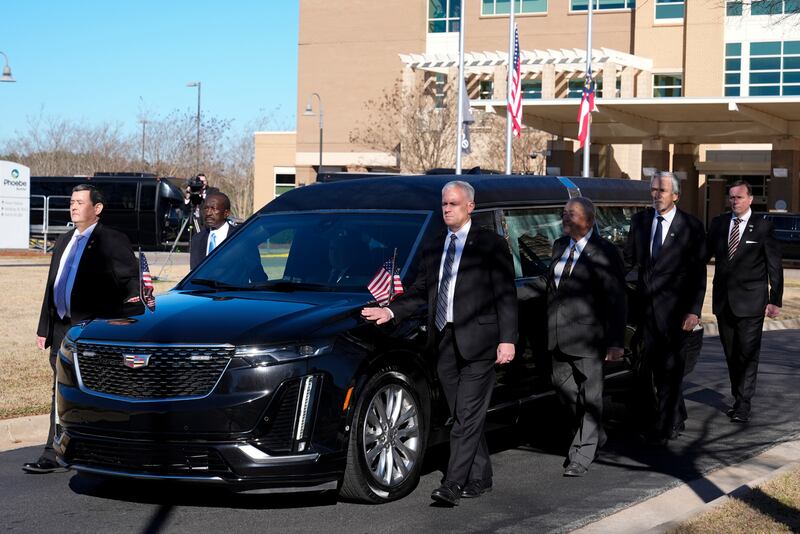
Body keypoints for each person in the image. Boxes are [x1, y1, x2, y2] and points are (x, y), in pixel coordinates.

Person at [361, 180, 517, 506]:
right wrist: (390, 310)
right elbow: (420, 292)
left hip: (480, 343)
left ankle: (453, 484)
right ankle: (481, 475)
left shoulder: (490, 244)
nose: (447, 209)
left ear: (470, 207)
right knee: (464, 413)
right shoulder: (434, 246)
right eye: (444, 204)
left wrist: (507, 340)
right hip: (443, 341)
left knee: (466, 417)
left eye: (453, 204)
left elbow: (506, 295)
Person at [26, 185, 141, 474]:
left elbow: (132, 286)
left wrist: (125, 325)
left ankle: (109, 450)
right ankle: (53, 451)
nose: (73, 207)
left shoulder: (112, 241)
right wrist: (45, 327)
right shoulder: (64, 240)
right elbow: (53, 286)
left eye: (80, 202)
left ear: (97, 208)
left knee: (100, 393)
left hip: (94, 332)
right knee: (61, 389)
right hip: (62, 330)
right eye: (71, 202)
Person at [624, 171, 706, 445]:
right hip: (646, 311)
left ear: (676, 196)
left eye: (661, 190)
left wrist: (694, 311)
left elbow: (698, 274)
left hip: (677, 312)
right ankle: (676, 415)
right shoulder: (640, 222)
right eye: (653, 190)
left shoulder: (691, 227)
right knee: (653, 370)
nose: (656, 195)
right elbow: (629, 262)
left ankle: (667, 425)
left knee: (671, 369)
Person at [547, 197, 626, 477]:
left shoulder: (604, 251)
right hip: (558, 336)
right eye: (564, 213)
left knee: (591, 396)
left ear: (589, 221)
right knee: (563, 387)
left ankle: (582, 453)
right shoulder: (559, 246)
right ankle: (596, 433)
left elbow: (616, 298)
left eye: (572, 215)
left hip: (589, 337)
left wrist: (616, 341)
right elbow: (552, 288)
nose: (565, 218)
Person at [706, 180, 783, 423]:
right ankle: (737, 395)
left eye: (739, 197)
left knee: (748, 353)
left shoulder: (762, 226)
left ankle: (743, 403)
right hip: (723, 302)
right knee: (731, 353)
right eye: (731, 197)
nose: (734, 201)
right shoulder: (719, 224)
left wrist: (775, 299)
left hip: (752, 302)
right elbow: (702, 256)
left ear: (750, 199)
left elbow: (775, 266)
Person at [189, 192, 235, 270]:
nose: (208, 213)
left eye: (214, 209)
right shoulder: (197, 239)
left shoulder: (238, 237)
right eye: (206, 208)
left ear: (226, 213)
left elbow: (256, 273)